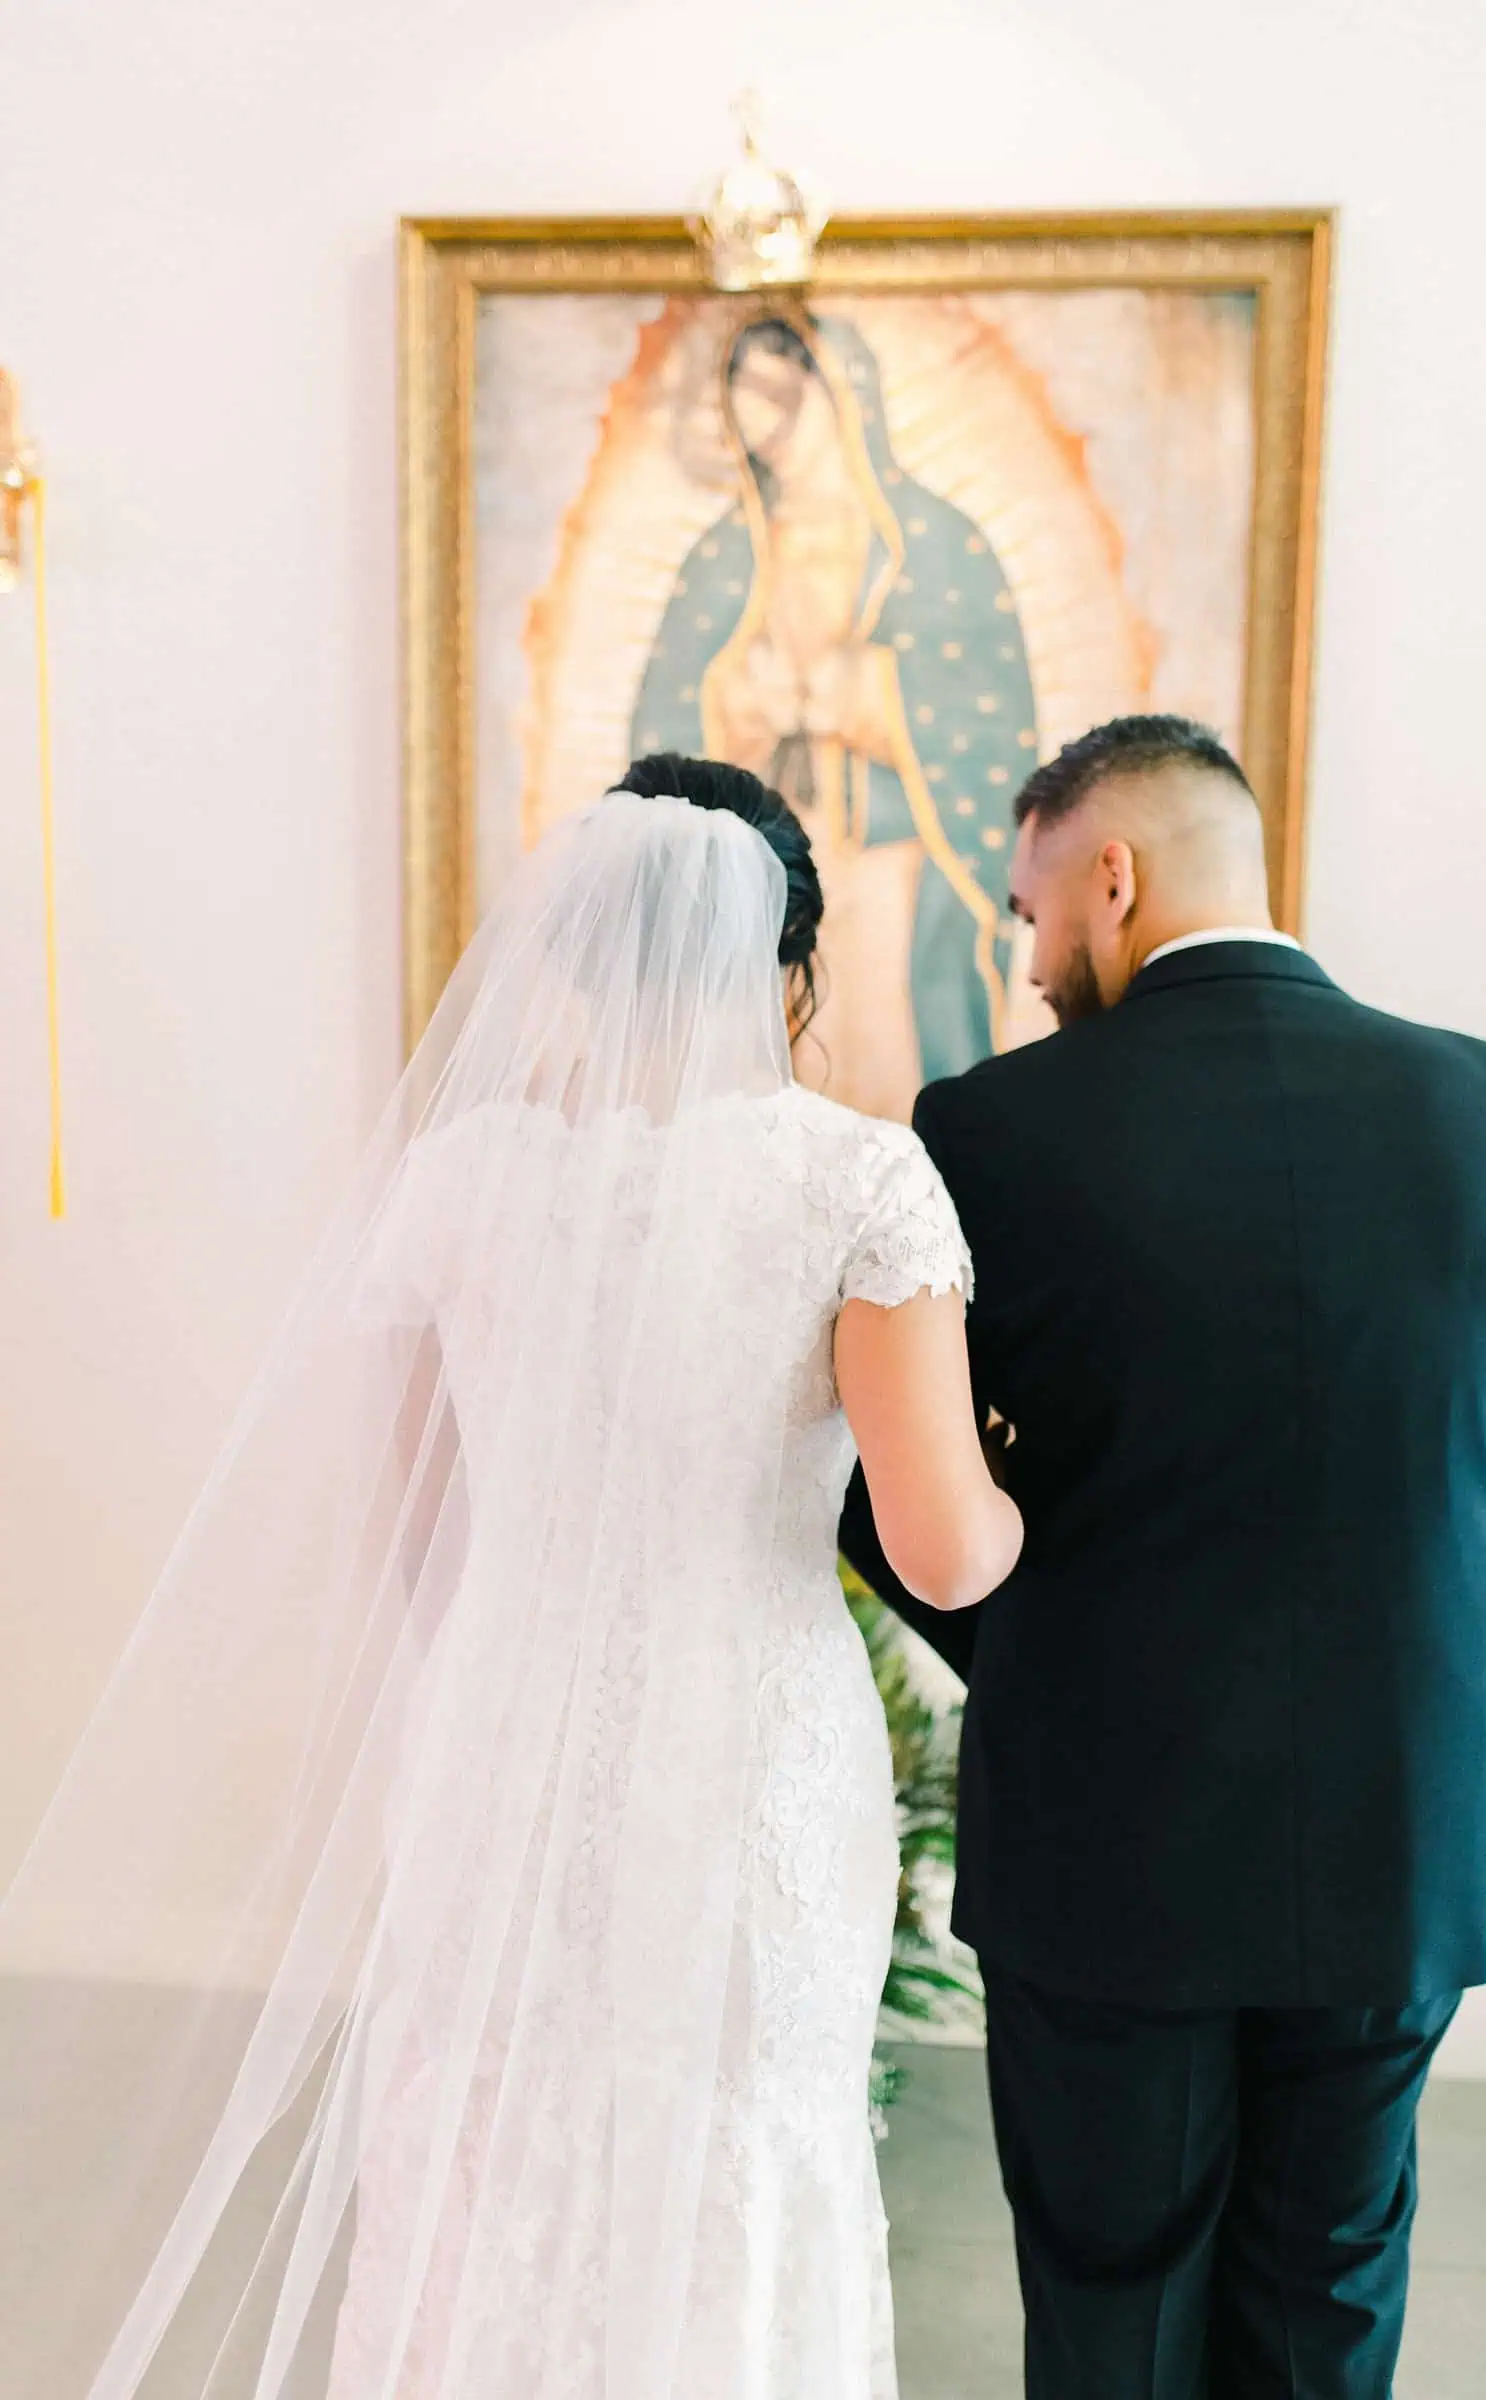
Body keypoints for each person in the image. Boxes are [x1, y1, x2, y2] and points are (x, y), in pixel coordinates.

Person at [0, 754, 1020, 2400]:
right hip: (751, 1739)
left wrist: (524, 1645)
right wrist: (1022, 1506)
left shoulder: (467, 1176)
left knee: (488, 2144)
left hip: (496, 1718)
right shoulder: (858, 1180)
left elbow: (417, 1523)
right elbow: (936, 1542)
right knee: (738, 2146)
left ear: (562, 962)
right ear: (791, 970)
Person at [841, 713, 1486, 2400]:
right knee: (1331, 2283)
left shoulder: (987, 1133)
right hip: (1405, 1822)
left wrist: (1058, 1654)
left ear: (1112, 876)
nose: (1033, 963)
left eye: (1033, 914)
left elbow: (900, 1503)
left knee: (1114, 2291)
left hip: (1111, 1838)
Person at [633, 310, 1037, 1115]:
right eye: (744, 403)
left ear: (842, 396)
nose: (764, 429)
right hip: (763, 902)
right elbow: (667, 718)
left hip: (895, 871)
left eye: (782, 398)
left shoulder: (936, 547)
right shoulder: (725, 557)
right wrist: (742, 697)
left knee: (897, 1094)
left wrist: (864, 694)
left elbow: (990, 732)